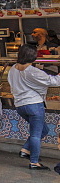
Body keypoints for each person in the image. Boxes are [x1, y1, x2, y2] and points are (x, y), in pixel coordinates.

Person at [8, 43, 60, 171]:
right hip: (34, 105)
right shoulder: (32, 71)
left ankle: (25, 149)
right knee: (36, 134)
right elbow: (54, 82)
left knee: (44, 129)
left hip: (20, 105)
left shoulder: (13, 69)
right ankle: (34, 162)